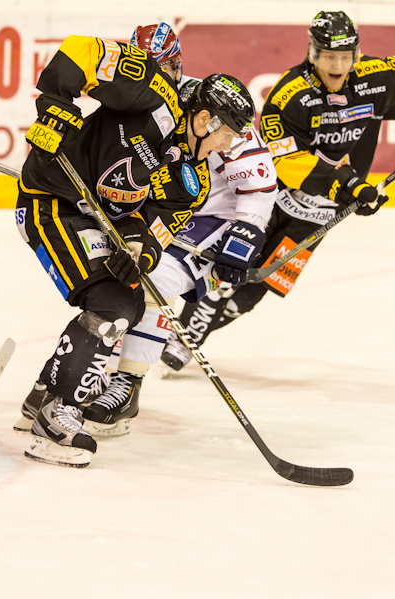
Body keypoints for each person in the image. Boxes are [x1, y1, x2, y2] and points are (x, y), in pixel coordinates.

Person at [159, 10, 395, 370]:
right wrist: (348, 185)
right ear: (313, 53)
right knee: (231, 265)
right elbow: (284, 160)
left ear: (356, 55)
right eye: (329, 55)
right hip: (275, 200)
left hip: (318, 215)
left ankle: (194, 330)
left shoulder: (378, 78)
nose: (337, 64)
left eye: (344, 56)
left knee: (257, 288)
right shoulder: (291, 94)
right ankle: (177, 336)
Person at [14, 31, 252, 467]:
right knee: (114, 309)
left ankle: (47, 393)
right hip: (51, 202)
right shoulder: (153, 91)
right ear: (205, 121)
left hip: (90, 220)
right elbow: (82, 51)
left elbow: (157, 230)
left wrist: (139, 252)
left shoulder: (191, 182)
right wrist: (55, 106)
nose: (227, 147)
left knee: (125, 301)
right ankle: (53, 423)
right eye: (227, 135)